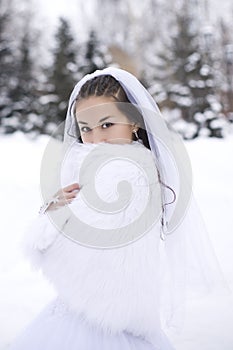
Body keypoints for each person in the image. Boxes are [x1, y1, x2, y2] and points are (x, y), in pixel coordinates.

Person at [8, 68, 227, 350]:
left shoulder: (127, 173)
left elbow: (76, 256)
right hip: (102, 310)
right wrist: (58, 211)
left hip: (101, 314)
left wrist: (53, 220)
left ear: (134, 122)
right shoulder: (103, 168)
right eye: (85, 128)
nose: (96, 138)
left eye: (107, 124)